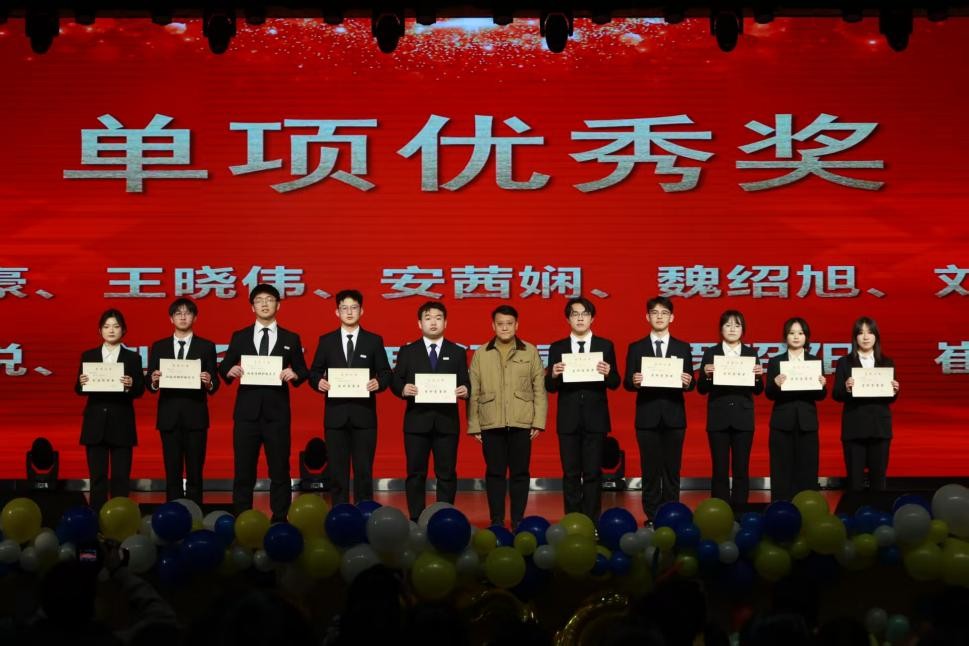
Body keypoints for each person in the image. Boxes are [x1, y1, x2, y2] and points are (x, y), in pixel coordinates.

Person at [219, 284, 308, 522]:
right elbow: (224, 365)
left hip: (277, 414)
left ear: (278, 305)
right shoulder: (240, 336)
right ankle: (242, 518)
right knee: (243, 470)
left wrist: (295, 374)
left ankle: (279, 518)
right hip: (246, 414)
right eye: (259, 300)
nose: (265, 304)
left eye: (270, 299)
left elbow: (302, 370)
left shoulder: (291, 338)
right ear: (252, 307)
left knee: (279, 470)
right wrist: (230, 370)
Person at [467, 305, 547, 528]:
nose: (505, 328)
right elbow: (474, 391)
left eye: (509, 324)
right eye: (500, 324)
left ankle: (519, 520)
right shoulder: (481, 353)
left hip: (522, 421)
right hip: (490, 422)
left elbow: (539, 389)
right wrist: (474, 425)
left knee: (520, 473)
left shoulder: (530, 351)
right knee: (495, 474)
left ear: (516, 325)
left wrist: (538, 422)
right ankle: (497, 520)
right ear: (493, 326)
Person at [309, 289, 392, 505]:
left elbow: (385, 373)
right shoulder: (326, 341)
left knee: (364, 471)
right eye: (344, 308)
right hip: (335, 416)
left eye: (353, 307)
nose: (349, 312)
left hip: (364, 416)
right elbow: (314, 372)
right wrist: (319, 382)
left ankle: (365, 512)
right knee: (338, 472)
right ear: (337, 312)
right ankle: (340, 512)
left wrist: (378, 383)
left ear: (361, 311)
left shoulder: (373, 341)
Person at [391, 301, 470, 521]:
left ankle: (444, 517)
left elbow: (466, 381)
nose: (433, 322)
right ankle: (416, 518)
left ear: (445, 322)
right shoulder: (408, 351)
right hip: (416, 422)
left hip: (447, 422)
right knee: (415, 474)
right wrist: (403, 389)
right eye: (428, 318)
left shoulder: (457, 352)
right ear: (419, 323)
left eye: (438, 318)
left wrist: (466, 390)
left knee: (446, 473)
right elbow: (395, 380)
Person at [546, 296, 620, 520]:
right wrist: (553, 374)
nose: (580, 318)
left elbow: (615, 382)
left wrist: (608, 372)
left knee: (592, 473)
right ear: (568, 319)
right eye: (575, 314)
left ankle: (591, 520)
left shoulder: (605, 346)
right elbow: (550, 387)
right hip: (568, 420)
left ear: (592, 318)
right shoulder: (557, 347)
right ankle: (572, 520)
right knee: (570, 473)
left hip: (595, 419)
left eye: (584, 314)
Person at [624, 296, 695, 523]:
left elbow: (691, 382)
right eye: (655, 313)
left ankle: (671, 513)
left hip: (674, 416)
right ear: (647, 317)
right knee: (650, 470)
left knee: (672, 470)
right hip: (647, 416)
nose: (659, 316)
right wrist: (634, 381)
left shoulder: (682, 347)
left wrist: (688, 381)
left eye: (664, 313)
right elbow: (627, 382)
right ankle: (652, 515)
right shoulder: (636, 347)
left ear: (672, 317)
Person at [145, 297, 220, 505]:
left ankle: (195, 513)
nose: (183, 317)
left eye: (188, 313)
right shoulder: (159, 346)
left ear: (195, 318)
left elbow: (215, 382)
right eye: (178, 313)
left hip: (196, 416)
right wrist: (153, 381)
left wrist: (209, 381)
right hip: (169, 417)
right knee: (172, 471)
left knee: (195, 471)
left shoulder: (206, 346)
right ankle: (173, 512)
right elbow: (149, 382)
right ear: (171, 319)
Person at [75, 309, 145, 511]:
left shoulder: (132, 358)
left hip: (122, 423)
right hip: (95, 423)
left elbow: (140, 389)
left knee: (121, 478)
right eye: (106, 326)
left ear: (123, 330)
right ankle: (96, 518)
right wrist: (81, 382)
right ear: (100, 330)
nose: (111, 330)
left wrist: (131, 384)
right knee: (97, 478)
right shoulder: (89, 356)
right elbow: (78, 389)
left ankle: (119, 517)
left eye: (116, 326)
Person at [697, 310, 764, 510]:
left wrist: (758, 377)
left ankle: (740, 510)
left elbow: (758, 390)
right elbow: (701, 389)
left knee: (741, 468)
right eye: (728, 325)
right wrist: (706, 374)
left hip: (743, 417)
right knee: (719, 468)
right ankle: (720, 510)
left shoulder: (751, 354)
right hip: (718, 417)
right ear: (721, 329)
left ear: (743, 329)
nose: (732, 329)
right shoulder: (711, 353)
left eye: (737, 325)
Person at [832, 316, 899, 492]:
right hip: (855, 428)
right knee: (855, 482)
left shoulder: (887, 362)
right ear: (855, 337)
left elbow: (890, 398)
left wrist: (894, 390)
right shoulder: (844, 362)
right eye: (861, 333)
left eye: (870, 332)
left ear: (876, 336)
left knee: (879, 481)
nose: (865, 337)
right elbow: (836, 394)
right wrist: (847, 388)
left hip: (879, 428)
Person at [765, 317, 827, 501]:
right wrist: (775, 384)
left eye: (800, 333)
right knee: (781, 468)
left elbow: (821, 396)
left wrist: (822, 385)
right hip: (782, 423)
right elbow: (769, 393)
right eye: (792, 333)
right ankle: (780, 507)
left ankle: (807, 507)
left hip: (807, 423)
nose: (796, 337)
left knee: (808, 468)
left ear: (806, 337)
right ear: (785, 337)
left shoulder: (815, 362)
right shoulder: (776, 362)